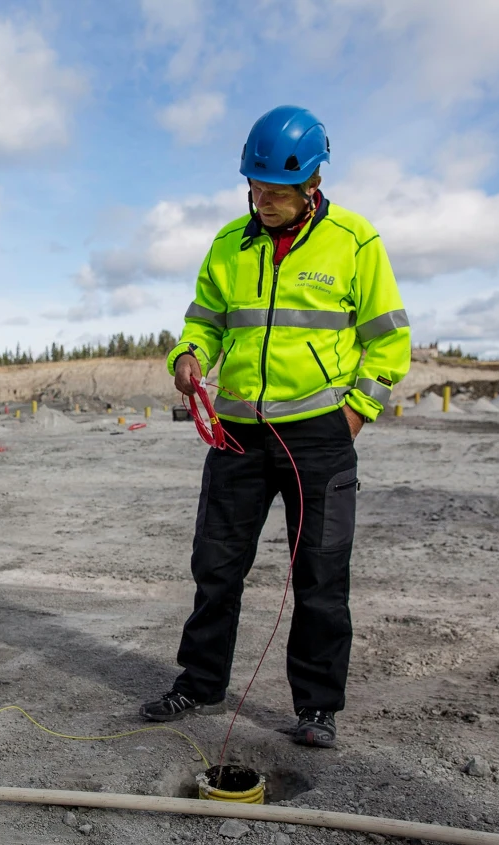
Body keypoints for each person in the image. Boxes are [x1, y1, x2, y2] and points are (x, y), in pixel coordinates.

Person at [140, 105, 411, 748]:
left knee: (320, 575)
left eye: (277, 192)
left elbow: (390, 342)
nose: (263, 201)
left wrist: (356, 413)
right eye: (255, 187)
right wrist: (187, 357)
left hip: (320, 435)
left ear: (312, 184)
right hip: (237, 433)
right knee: (215, 565)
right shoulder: (228, 244)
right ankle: (201, 683)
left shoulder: (356, 241)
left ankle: (317, 707)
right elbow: (205, 324)